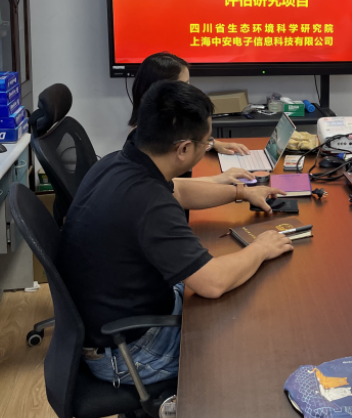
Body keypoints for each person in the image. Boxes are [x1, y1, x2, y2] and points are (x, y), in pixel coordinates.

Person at [61, 79, 294, 392]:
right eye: (206, 144)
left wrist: (239, 192)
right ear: (183, 149)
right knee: (249, 344)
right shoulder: (148, 203)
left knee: (243, 293)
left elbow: (179, 190)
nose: (208, 147)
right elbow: (212, 283)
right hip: (128, 351)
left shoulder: (120, 161)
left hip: (117, 317)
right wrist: (261, 247)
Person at [130, 52, 249, 156]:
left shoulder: (168, 121)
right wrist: (219, 176)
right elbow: (166, 175)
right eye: (184, 84)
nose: (189, 90)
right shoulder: (144, 138)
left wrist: (214, 144)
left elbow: (184, 139)